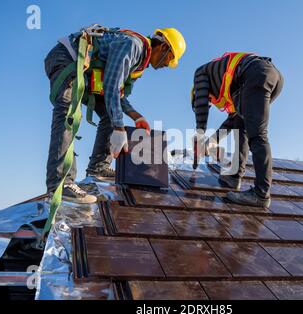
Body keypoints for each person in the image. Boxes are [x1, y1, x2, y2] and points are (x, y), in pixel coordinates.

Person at [44, 25, 186, 203]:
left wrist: (136, 116)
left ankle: (98, 168)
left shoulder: (139, 64)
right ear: (164, 47)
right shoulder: (134, 46)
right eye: (169, 60)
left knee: (111, 113)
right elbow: (111, 86)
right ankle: (60, 184)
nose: (166, 65)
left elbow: (118, 94)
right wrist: (119, 127)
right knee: (68, 114)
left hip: (85, 73)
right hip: (66, 59)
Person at [191, 52, 284, 208]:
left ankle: (261, 194)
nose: (211, 103)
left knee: (257, 135)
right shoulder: (232, 86)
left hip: (257, 74)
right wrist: (211, 142)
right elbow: (232, 119)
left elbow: (201, 106)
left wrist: (200, 135)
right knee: (241, 126)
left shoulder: (201, 74)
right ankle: (234, 177)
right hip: (270, 76)